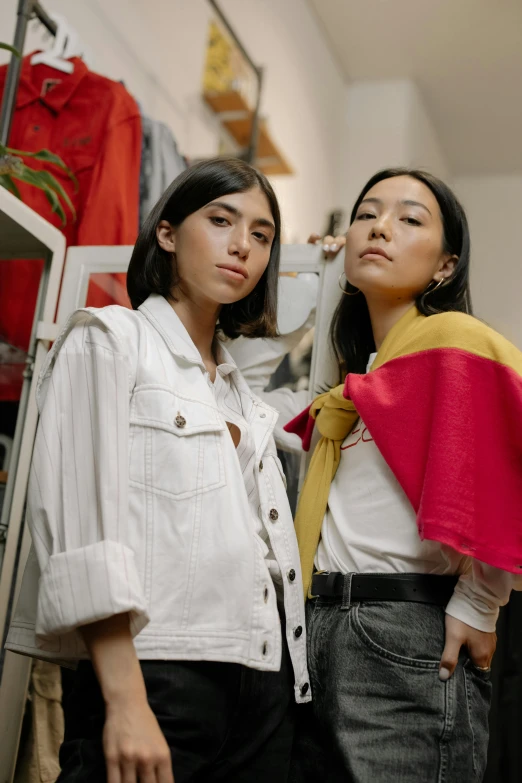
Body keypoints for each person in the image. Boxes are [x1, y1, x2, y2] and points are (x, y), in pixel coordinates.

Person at [6, 157, 311, 783]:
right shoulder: (110, 339)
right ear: (167, 234)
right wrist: (125, 699)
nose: (241, 247)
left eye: (260, 235)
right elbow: (83, 526)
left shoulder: (243, 400)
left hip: (265, 688)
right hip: (160, 675)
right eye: (221, 220)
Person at [230, 168, 522, 782]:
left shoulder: (455, 344)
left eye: (409, 218)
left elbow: (504, 475)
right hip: (315, 629)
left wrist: (480, 603)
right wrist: (310, 278)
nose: (379, 227)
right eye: (367, 213)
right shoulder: (349, 393)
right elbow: (236, 392)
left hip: (403, 632)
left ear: (446, 265)